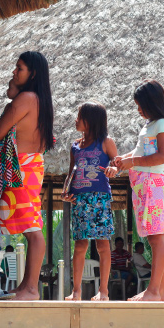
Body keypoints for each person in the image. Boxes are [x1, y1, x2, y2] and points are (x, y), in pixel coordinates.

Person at [0, 51, 54, 300]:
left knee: (32, 230)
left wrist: (12, 98)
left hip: (20, 170)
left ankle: (31, 288)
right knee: (31, 226)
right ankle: (27, 285)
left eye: (19, 69)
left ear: (32, 73)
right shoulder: (41, 100)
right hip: (32, 166)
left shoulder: (25, 99)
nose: (14, 73)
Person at [115, 80, 164, 301]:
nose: (138, 109)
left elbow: (163, 156)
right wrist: (124, 159)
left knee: (157, 239)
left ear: (151, 102)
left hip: (152, 184)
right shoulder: (150, 125)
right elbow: (140, 150)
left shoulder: (162, 124)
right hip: (143, 185)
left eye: (141, 105)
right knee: (155, 239)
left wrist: (133, 162)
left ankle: (153, 291)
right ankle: (161, 292)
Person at [63, 102, 118, 301]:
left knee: (103, 246)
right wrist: (66, 192)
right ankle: (76, 291)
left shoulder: (106, 142)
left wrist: (114, 169)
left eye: (79, 116)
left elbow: (117, 163)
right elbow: (71, 173)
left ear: (91, 120)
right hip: (79, 200)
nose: (76, 120)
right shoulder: (75, 146)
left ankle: (103, 291)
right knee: (80, 246)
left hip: (100, 198)